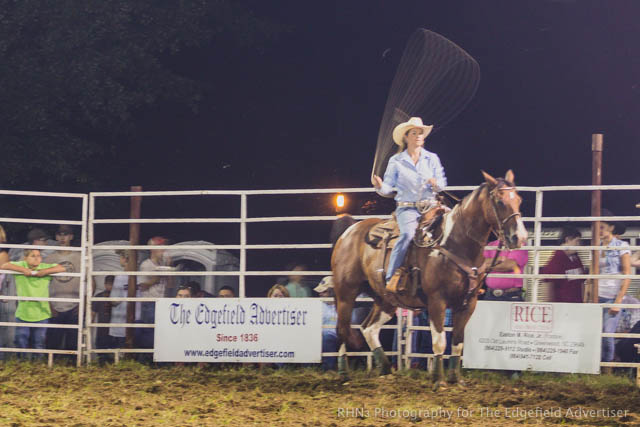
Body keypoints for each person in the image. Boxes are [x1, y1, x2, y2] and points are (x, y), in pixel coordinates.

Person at [371, 117, 447, 293]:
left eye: (420, 133)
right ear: (406, 137)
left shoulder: (432, 159)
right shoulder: (396, 161)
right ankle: (391, 276)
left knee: (453, 227)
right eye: (415, 133)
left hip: (431, 206)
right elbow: (389, 188)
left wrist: (435, 183)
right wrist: (380, 186)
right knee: (407, 235)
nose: (419, 136)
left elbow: (442, 183)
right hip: (407, 208)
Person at [1, 249, 65, 359]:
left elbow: (62, 268)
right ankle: (22, 362)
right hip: (23, 312)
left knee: (39, 341)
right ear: (25, 258)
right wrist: (24, 270)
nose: (37, 258)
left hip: (42, 312)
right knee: (21, 339)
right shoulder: (21, 265)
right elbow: (4, 265)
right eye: (33, 255)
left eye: (39, 255)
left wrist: (45, 272)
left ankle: (38, 364)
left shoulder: (44, 267)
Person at [598, 209, 631, 369]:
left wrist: (618, 300)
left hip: (612, 296)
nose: (599, 230)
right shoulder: (595, 246)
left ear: (611, 227)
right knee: (597, 333)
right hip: (597, 296)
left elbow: (627, 273)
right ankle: (597, 366)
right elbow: (592, 272)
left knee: (607, 332)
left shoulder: (622, 246)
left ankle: (607, 367)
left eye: (602, 227)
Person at [45, 224, 82, 353]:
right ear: (56, 237)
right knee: (52, 343)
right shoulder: (50, 259)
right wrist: (49, 305)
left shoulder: (80, 257)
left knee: (73, 345)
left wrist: (83, 303)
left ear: (71, 236)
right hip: (55, 305)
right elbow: (44, 284)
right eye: (60, 234)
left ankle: (72, 367)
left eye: (65, 234)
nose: (62, 237)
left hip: (75, 305)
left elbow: (90, 281)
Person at [136, 236, 173, 352]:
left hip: (163, 302)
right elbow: (142, 286)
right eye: (161, 248)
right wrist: (160, 273)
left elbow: (171, 285)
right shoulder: (146, 265)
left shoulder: (164, 265)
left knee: (161, 332)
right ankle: (148, 358)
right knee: (150, 333)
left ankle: (159, 357)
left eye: (164, 248)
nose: (164, 251)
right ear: (152, 249)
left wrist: (169, 268)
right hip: (150, 303)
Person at [541, 226, 585, 303]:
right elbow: (548, 286)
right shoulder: (557, 259)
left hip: (577, 306)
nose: (579, 245)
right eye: (577, 241)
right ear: (567, 240)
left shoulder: (576, 259)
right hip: (562, 307)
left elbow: (582, 282)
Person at [315, 276, 338, 370]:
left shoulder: (342, 305)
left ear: (333, 291)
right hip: (320, 334)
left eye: (324, 291)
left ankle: (328, 369)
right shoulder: (317, 304)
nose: (320, 294)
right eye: (320, 292)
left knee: (327, 337)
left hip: (336, 335)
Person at [108, 250, 129, 350]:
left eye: (120, 257)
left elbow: (114, 300)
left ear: (124, 259)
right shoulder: (140, 276)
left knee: (118, 351)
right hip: (136, 321)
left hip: (120, 321)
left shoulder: (120, 277)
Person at [93, 275, 114, 362]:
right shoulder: (98, 297)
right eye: (108, 284)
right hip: (102, 329)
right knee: (101, 352)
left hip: (114, 330)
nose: (110, 286)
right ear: (105, 284)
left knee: (112, 351)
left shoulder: (118, 297)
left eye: (111, 284)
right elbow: (92, 313)